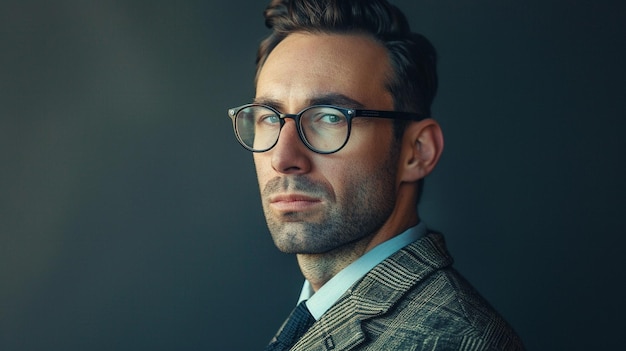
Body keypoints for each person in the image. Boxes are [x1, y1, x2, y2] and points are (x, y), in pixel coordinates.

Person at [227, 0, 525, 350]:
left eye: (330, 117)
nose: (283, 157)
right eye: (269, 117)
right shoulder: (320, 313)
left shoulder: (449, 341)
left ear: (417, 151)